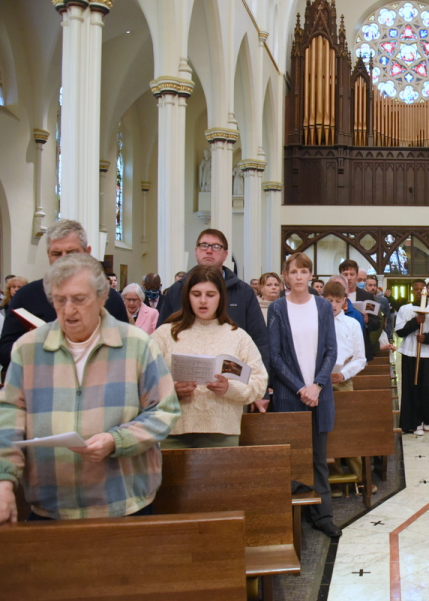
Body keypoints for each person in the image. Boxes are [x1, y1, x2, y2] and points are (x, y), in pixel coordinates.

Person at [0, 253, 180, 522]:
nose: (68, 310)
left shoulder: (136, 345)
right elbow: (10, 416)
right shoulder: (28, 349)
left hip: (124, 503)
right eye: (60, 300)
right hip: (51, 505)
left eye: (79, 299)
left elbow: (164, 411)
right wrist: (4, 481)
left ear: (102, 297)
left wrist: (116, 440)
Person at [152, 267, 267, 448]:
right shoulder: (166, 334)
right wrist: (172, 390)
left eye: (210, 294)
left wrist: (229, 387)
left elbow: (259, 383)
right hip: (173, 430)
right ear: (187, 296)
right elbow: (143, 381)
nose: (203, 301)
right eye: (196, 294)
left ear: (221, 297)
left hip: (222, 432)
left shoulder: (238, 336)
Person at [267, 251, 340, 538]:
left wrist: (317, 385)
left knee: (319, 459)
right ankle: (292, 516)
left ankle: (323, 515)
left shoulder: (322, 306)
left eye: (303, 271)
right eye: (293, 272)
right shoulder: (277, 309)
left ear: (310, 275)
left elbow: (331, 350)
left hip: (319, 394)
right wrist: (300, 387)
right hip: (289, 394)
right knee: (292, 459)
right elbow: (274, 356)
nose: (298, 277)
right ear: (285, 276)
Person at [0, 219, 129, 371]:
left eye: (71, 252)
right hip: (41, 381)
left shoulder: (110, 297)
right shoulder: (26, 296)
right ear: (48, 254)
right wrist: (38, 348)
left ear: (87, 252)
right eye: (56, 253)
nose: (64, 259)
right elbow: (5, 350)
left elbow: (124, 345)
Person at [157, 229, 269, 370]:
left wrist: (262, 384)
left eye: (216, 246)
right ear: (196, 251)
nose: (209, 250)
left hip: (232, 377)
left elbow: (259, 339)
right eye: (204, 245)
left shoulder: (244, 292)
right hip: (184, 375)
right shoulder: (176, 290)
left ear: (225, 254)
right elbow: (162, 341)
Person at [396, 279, 429, 436]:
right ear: (412, 291)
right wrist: (416, 321)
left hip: (426, 354)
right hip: (409, 353)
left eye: (422, 289)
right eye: (416, 289)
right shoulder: (405, 309)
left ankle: (427, 418)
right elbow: (400, 331)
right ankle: (414, 422)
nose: (419, 292)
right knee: (411, 389)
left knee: (427, 390)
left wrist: (425, 338)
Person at [322, 280, 366, 391]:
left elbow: (360, 358)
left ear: (344, 301)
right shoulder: (316, 322)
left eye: (338, 301)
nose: (333, 305)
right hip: (318, 380)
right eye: (330, 300)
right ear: (322, 299)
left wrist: (344, 374)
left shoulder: (352, 324)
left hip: (343, 381)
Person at [339, 260, 377, 360]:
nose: (349, 277)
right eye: (345, 274)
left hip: (360, 346)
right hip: (340, 346)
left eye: (352, 274)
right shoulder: (336, 295)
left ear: (356, 276)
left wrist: (367, 320)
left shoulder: (367, 297)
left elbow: (377, 324)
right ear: (341, 276)